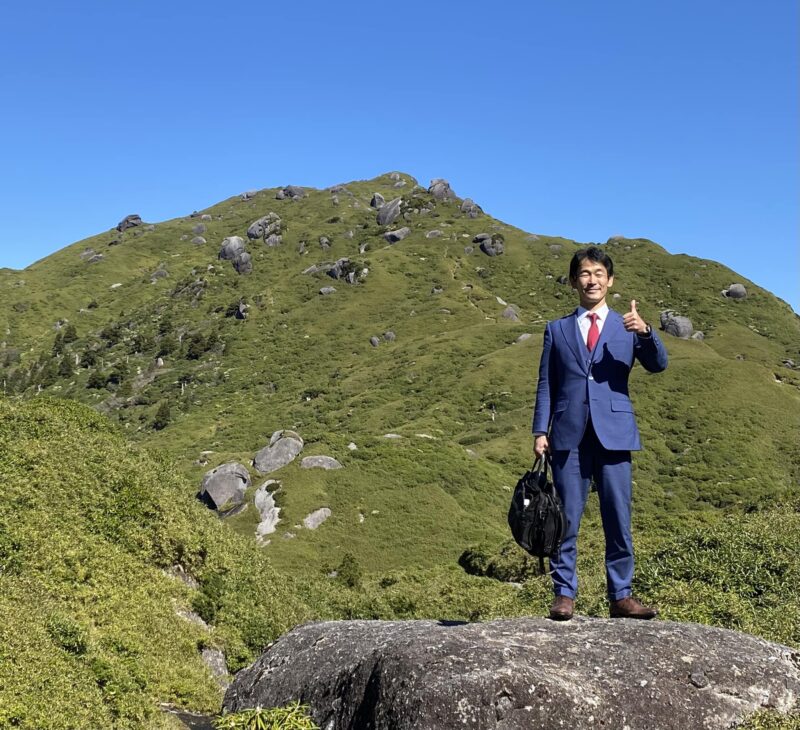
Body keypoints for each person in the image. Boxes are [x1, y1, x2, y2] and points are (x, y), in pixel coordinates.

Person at [532, 246, 668, 620]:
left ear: (610, 280)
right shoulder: (556, 329)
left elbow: (658, 365)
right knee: (565, 519)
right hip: (567, 435)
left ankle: (621, 595)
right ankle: (564, 595)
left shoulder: (628, 327)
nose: (591, 280)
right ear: (574, 281)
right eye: (584, 274)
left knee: (617, 518)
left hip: (615, 433)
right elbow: (547, 383)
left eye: (598, 274)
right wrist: (540, 430)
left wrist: (647, 333)